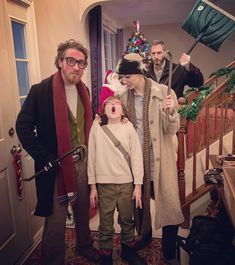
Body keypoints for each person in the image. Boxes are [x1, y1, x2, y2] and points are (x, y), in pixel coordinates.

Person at [15, 39, 100, 264]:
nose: (77, 67)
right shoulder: (40, 91)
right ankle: (53, 259)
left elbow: (85, 125)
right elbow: (23, 126)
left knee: (83, 209)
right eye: (71, 61)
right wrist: (44, 157)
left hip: (83, 161)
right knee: (56, 217)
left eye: (81, 63)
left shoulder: (85, 90)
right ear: (60, 61)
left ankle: (85, 245)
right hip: (56, 165)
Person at [116, 53, 184, 265]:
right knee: (139, 206)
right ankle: (144, 238)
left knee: (169, 206)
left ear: (139, 73)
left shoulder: (164, 92)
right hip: (137, 164)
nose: (124, 81)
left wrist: (171, 110)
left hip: (160, 162)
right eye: (122, 77)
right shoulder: (124, 97)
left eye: (127, 77)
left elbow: (172, 128)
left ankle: (169, 251)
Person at [88, 96, 147, 265]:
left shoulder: (128, 127)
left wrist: (137, 186)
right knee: (106, 223)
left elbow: (136, 157)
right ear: (104, 109)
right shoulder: (97, 127)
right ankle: (106, 255)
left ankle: (128, 251)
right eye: (109, 104)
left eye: (117, 104)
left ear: (122, 110)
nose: (113, 106)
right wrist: (93, 186)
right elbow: (91, 156)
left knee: (127, 220)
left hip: (126, 184)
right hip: (104, 185)